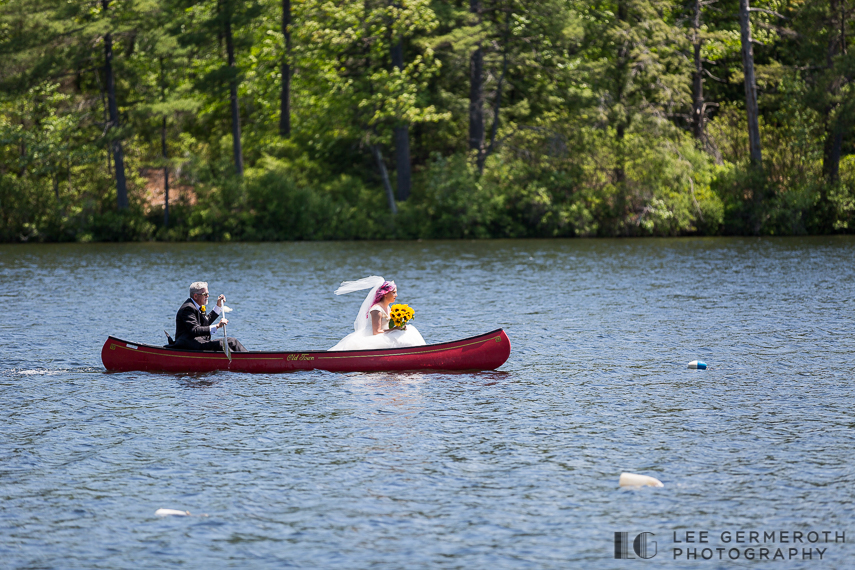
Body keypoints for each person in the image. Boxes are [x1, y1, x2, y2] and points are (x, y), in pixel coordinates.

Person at [328, 276, 426, 351]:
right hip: (374, 337)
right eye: (393, 293)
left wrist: (400, 324)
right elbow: (376, 332)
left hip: (385, 334)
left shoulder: (388, 307)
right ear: (385, 294)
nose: (396, 295)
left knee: (410, 331)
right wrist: (394, 329)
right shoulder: (377, 309)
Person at [173, 281, 247, 352]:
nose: (207, 296)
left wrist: (218, 306)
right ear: (195, 296)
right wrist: (217, 326)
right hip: (187, 343)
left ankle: (249, 357)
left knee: (232, 341)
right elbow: (195, 330)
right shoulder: (188, 308)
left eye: (208, 294)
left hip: (198, 341)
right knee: (221, 345)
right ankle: (239, 362)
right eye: (205, 294)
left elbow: (206, 322)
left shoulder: (198, 306)